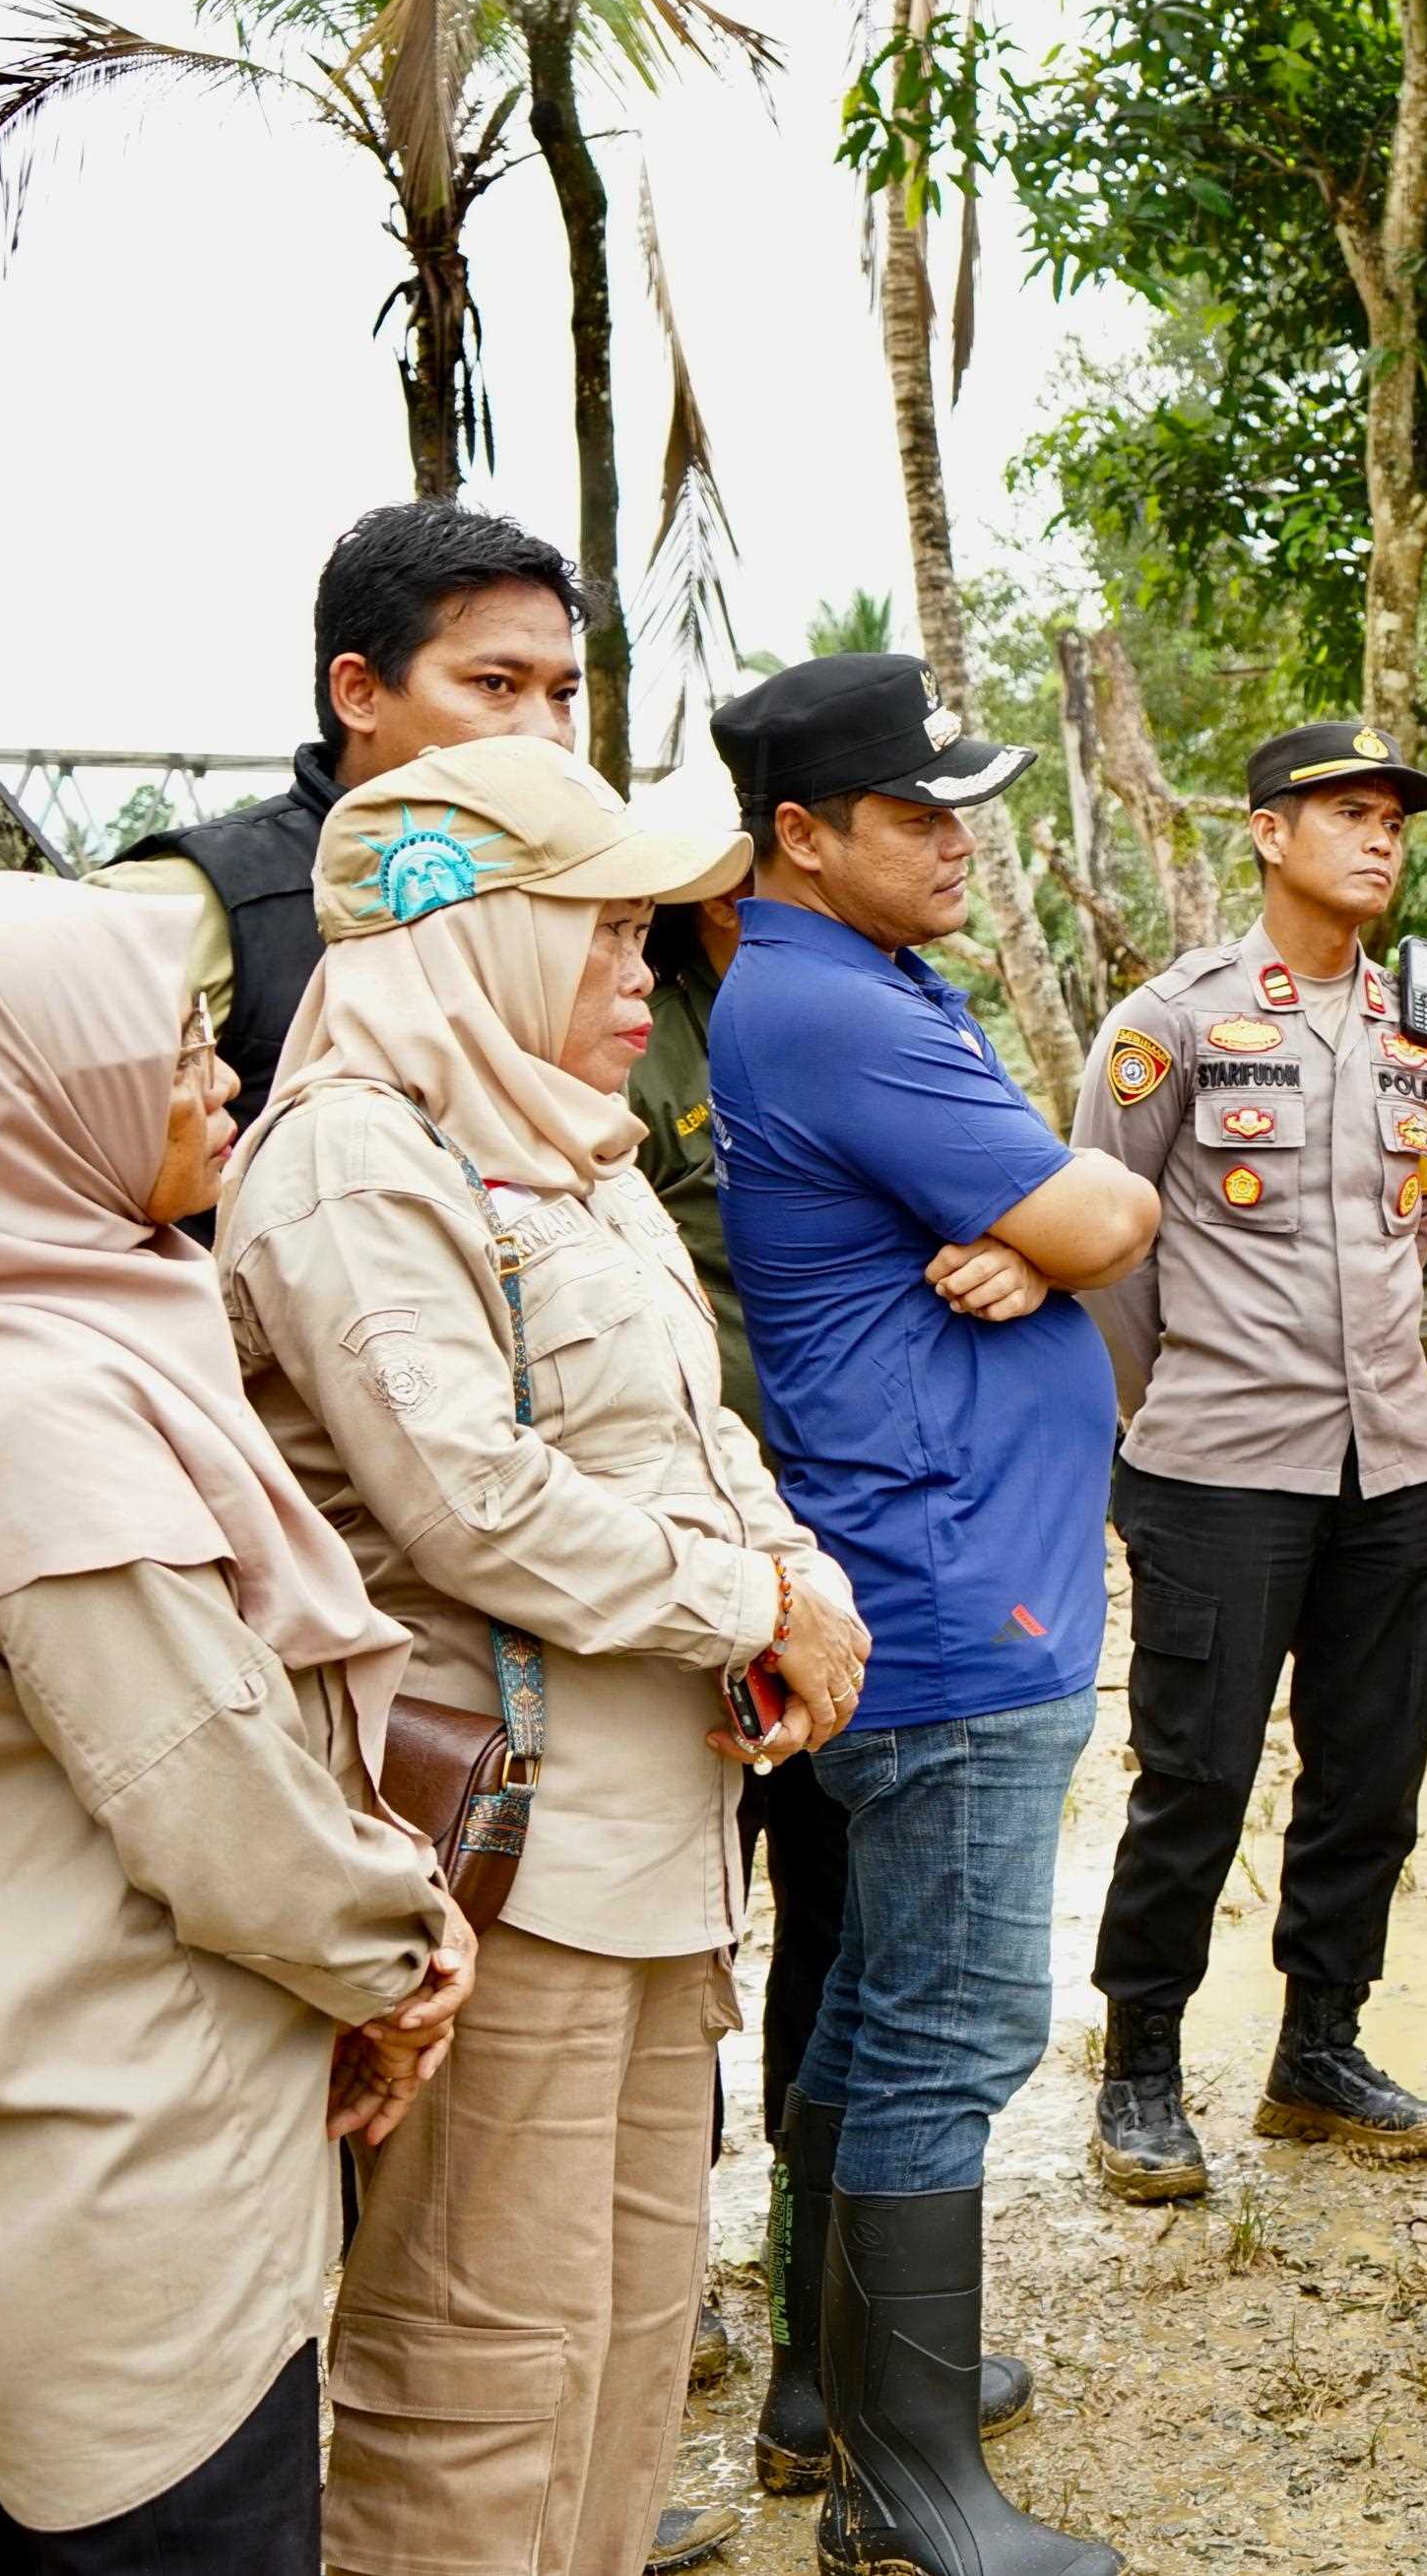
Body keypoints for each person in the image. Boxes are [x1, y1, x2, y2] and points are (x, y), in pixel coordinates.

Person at [214, 743, 866, 2576]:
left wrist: (799, 1577)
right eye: (607, 933)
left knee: (630, 2330)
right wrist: (751, 1609)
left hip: (646, 1842)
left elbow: (693, 1430)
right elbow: (472, 1502)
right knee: (480, 2358)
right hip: (502, 1861)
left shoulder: (569, 1149)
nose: (641, 979)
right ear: (483, 934)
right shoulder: (354, 1158)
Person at [0, 875, 470, 2576]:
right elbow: (220, 1806)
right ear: (21, 1103)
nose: (222, 1080)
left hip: (10, 2138)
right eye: (175, 1052)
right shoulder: (30, 1416)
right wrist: (406, 1953)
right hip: (130, 2182)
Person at [705, 652, 1158, 2576]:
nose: (959, 837)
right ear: (802, 836)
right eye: (916, 811)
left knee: (883, 1998)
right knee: (948, 2026)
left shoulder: (865, 982)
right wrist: (1063, 1229)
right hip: (952, 1594)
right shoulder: (829, 1005)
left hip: (945, 1567)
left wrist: (1049, 1232)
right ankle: (906, 2488)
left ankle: (840, 2388)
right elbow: (1109, 1214)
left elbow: (1075, 1215)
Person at [1071, 719, 1427, 2200]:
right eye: (1347, 812)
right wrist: (1168, 1418)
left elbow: (1422, 1221)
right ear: (1266, 833)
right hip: (1219, 1467)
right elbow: (1103, 1248)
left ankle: (1318, 2050)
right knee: (1195, 1775)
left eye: (1393, 820)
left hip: (1392, 1461)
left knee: (1374, 1770)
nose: (1378, 839)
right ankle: (1141, 2067)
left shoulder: (1422, 1025)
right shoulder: (1172, 1023)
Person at [633, 891, 994, 2517]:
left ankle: (819, 2361)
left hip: (857, 1557)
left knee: (847, 1956)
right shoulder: (624, 1022)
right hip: (688, 1575)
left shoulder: (907, 1008)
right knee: (671, 1977)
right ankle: (652, 2348)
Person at [92, 503, 591, 1132]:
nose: (547, 733)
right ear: (359, 692)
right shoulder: (188, 906)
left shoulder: (577, 906)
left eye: (562, 696)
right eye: (495, 684)